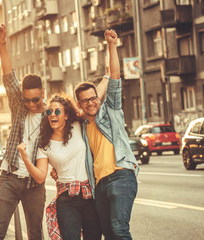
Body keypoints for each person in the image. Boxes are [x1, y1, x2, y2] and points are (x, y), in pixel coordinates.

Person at [74, 29, 139, 239]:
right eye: (86, 100)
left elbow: (114, 80)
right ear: (80, 104)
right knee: (109, 233)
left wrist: (112, 46)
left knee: (119, 228)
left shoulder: (110, 111)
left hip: (121, 175)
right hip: (100, 185)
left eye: (93, 98)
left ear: (98, 97)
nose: (91, 102)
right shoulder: (82, 127)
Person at [17, 94, 102, 240]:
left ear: (67, 115)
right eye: (49, 112)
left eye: (57, 111)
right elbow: (40, 177)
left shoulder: (78, 126)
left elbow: (90, 98)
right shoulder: (45, 144)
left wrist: (107, 76)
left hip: (90, 196)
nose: (52, 115)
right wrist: (25, 157)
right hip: (66, 199)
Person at [0, 24, 46, 240]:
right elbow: (9, 76)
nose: (31, 104)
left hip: (34, 185)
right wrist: (2, 44)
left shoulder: (52, 116)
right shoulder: (18, 106)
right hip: (10, 178)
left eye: (35, 99)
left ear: (42, 94)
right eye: (27, 99)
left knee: (35, 233)